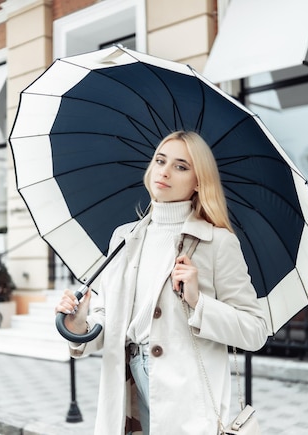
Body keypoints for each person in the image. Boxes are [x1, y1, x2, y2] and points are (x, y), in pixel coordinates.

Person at [55, 131, 268, 435]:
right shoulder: (124, 238)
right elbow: (108, 318)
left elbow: (255, 330)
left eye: (181, 166)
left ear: (198, 181)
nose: (165, 171)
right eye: (160, 160)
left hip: (185, 396)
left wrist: (199, 302)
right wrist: (78, 325)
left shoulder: (217, 243)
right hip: (127, 383)